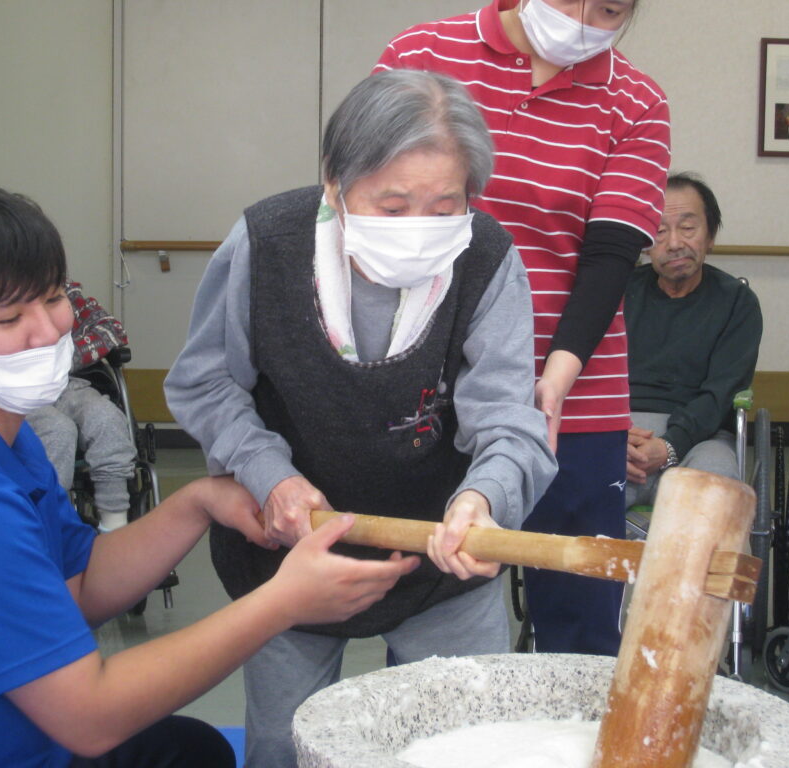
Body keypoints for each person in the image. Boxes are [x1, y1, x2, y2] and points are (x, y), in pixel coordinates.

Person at [0, 184, 419, 768]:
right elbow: (88, 718)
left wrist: (198, 501)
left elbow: (79, 587)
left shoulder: (1, 441)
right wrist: (283, 602)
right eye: (9, 319)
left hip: (31, 733)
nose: (48, 333)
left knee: (190, 751)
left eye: (51, 299)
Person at [164, 70, 556, 768]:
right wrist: (268, 476)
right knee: (286, 747)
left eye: (445, 206)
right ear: (335, 186)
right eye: (393, 205)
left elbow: (509, 418)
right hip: (296, 551)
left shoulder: (487, 257)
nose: (420, 230)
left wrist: (484, 497)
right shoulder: (268, 243)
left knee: (463, 747)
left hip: (445, 554)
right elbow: (205, 383)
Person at [374, 0, 670, 655]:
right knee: (431, 620)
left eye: (611, 7)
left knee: (582, 624)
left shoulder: (637, 101)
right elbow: (370, 209)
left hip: (575, 398)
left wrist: (553, 384)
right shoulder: (421, 55)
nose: (585, 16)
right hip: (433, 393)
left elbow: (610, 253)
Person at [624, 173, 762, 508]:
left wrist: (670, 445)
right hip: (622, 431)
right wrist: (612, 434)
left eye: (687, 228)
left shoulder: (737, 302)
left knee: (713, 495)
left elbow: (720, 394)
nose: (674, 243)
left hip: (703, 437)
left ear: (710, 235)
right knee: (576, 493)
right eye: (659, 230)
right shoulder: (616, 292)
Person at [26, 279, 135, 531]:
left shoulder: (60, 290)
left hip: (67, 382)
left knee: (106, 417)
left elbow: (110, 329)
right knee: (58, 430)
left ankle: (114, 524)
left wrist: (65, 357)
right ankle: (52, 522)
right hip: (17, 393)